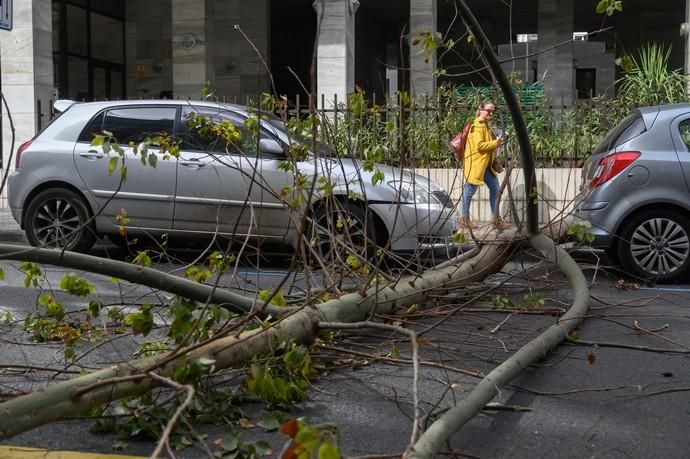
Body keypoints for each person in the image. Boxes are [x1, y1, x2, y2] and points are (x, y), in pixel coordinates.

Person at [459, 101, 511, 230]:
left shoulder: (485, 126)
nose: (491, 113)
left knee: (495, 189)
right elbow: (480, 146)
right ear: (481, 109)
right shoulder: (477, 126)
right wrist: (496, 143)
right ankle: (464, 219)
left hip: (485, 165)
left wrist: (497, 142)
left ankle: (496, 219)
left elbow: (487, 145)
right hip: (476, 165)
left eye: (493, 111)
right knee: (470, 190)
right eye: (488, 110)